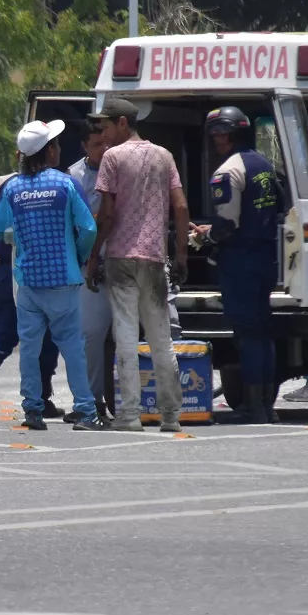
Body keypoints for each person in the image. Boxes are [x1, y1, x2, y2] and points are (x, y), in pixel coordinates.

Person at [0, 121, 104, 431]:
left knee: (29, 347)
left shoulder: (12, 188)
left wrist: (20, 236)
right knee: (72, 346)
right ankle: (85, 410)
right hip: (64, 279)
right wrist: (78, 255)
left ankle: (33, 410)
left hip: (28, 281)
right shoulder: (65, 184)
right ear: (49, 150)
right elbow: (89, 228)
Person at [86, 98, 188, 433]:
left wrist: (93, 256)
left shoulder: (112, 158)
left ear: (122, 124)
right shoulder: (164, 155)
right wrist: (182, 255)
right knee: (161, 340)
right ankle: (171, 416)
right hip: (155, 258)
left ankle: (129, 415)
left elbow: (108, 214)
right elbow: (181, 208)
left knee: (126, 338)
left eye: (106, 126)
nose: (103, 132)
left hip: (121, 259)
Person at [190, 105, 284, 424]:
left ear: (228, 134)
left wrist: (206, 236)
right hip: (267, 257)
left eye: (219, 132)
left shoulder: (227, 171)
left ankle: (253, 406)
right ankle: (266, 406)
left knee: (247, 333)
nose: (217, 138)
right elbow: (278, 207)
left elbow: (227, 224)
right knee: (264, 330)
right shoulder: (264, 165)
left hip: (241, 261)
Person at [0, 162, 62, 418]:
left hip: (3, 269)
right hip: (41, 269)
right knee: (46, 333)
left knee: (3, 329)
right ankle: (40, 397)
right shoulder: (55, 184)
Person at [68, 121, 114, 422]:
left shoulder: (120, 167)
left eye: (107, 143)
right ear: (85, 146)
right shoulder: (73, 177)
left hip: (122, 260)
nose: (105, 150)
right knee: (93, 335)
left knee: (124, 335)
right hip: (89, 266)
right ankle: (90, 400)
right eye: (98, 145)